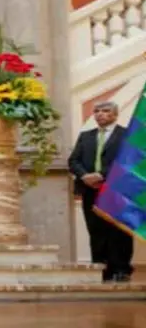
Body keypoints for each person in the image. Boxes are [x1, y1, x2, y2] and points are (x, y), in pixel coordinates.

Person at [68, 101, 133, 282]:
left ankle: (121, 269)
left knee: (118, 230)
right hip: (90, 190)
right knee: (96, 229)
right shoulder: (86, 136)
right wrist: (84, 176)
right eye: (96, 111)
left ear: (115, 114)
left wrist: (101, 175)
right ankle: (100, 268)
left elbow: (128, 161)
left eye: (105, 111)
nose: (100, 114)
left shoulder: (125, 135)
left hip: (116, 190)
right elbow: (73, 161)